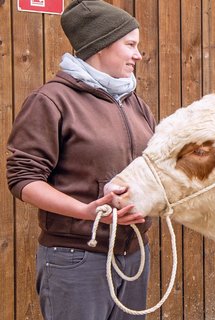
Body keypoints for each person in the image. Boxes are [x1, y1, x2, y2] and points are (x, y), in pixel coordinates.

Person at [6, 0, 155, 319]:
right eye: (130, 45)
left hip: (133, 256)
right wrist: (85, 212)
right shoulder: (51, 101)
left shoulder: (136, 104)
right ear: (101, 45)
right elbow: (23, 179)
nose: (138, 55)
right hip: (75, 260)